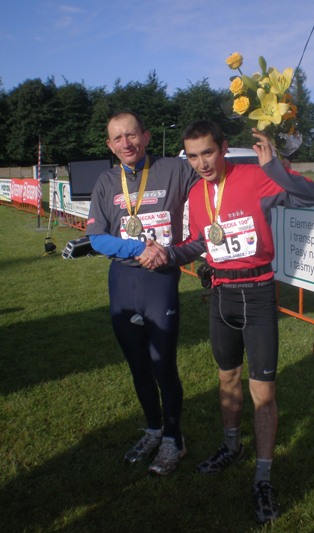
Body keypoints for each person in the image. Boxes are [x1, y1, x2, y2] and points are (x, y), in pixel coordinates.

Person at [157, 120, 314, 523]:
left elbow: (311, 196)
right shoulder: (196, 193)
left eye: (208, 153)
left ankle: (263, 478)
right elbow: (203, 240)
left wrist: (275, 168)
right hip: (221, 296)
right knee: (227, 378)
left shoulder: (254, 177)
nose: (202, 163)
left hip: (258, 294)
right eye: (193, 156)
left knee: (263, 392)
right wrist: (170, 254)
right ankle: (232, 447)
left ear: (224, 148)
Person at [86, 111, 198, 476]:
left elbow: (215, 182)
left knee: (162, 364)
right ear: (110, 145)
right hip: (123, 281)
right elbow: (97, 238)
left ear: (146, 136)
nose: (126, 143)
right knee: (138, 364)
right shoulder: (106, 181)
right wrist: (138, 249)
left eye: (132, 135)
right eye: (118, 138)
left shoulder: (175, 169)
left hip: (159, 280)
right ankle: (153, 429)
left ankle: (174, 439)